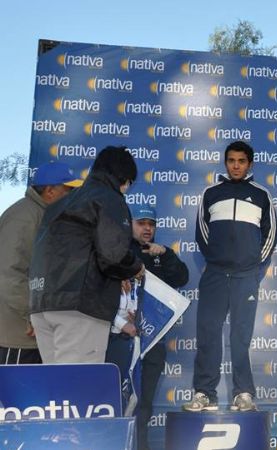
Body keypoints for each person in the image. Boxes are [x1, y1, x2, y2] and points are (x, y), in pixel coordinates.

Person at [183, 141, 277, 412]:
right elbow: (202, 233)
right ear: (225, 163)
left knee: (240, 336)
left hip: (245, 276)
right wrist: (217, 259)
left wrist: (251, 265)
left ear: (250, 164)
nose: (236, 165)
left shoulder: (261, 195)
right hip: (214, 274)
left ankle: (244, 393)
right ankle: (204, 394)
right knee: (208, 333)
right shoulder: (211, 193)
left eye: (241, 161)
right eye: (231, 160)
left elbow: (270, 235)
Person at [29, 146, 144, 364]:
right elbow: (113, 256)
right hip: (79, 306)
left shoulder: (60, 203)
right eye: (128, 183)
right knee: (77, 389)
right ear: (124, 178)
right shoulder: (109, 198)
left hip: (42, 304)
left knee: (57, 391)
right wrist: (135, 267)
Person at [0, 162, 82, 364]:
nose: (72, 197)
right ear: (50, 191)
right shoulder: (23, 218)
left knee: (35, 394)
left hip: (37, 332)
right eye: (68, 190)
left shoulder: (45, 215)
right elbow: (8, 274)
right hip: (18, 334)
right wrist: (31, 314)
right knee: (14, 395)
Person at [128, 204, 188, 449]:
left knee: (144, 403)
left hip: (153, 340)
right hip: (123, 339)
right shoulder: (118, 251)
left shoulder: (160, 253)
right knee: (122, 401)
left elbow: (182, 278)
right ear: (130, 224)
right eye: (142, 223)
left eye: (151, 224)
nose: (147, 228)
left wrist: (165, 255)